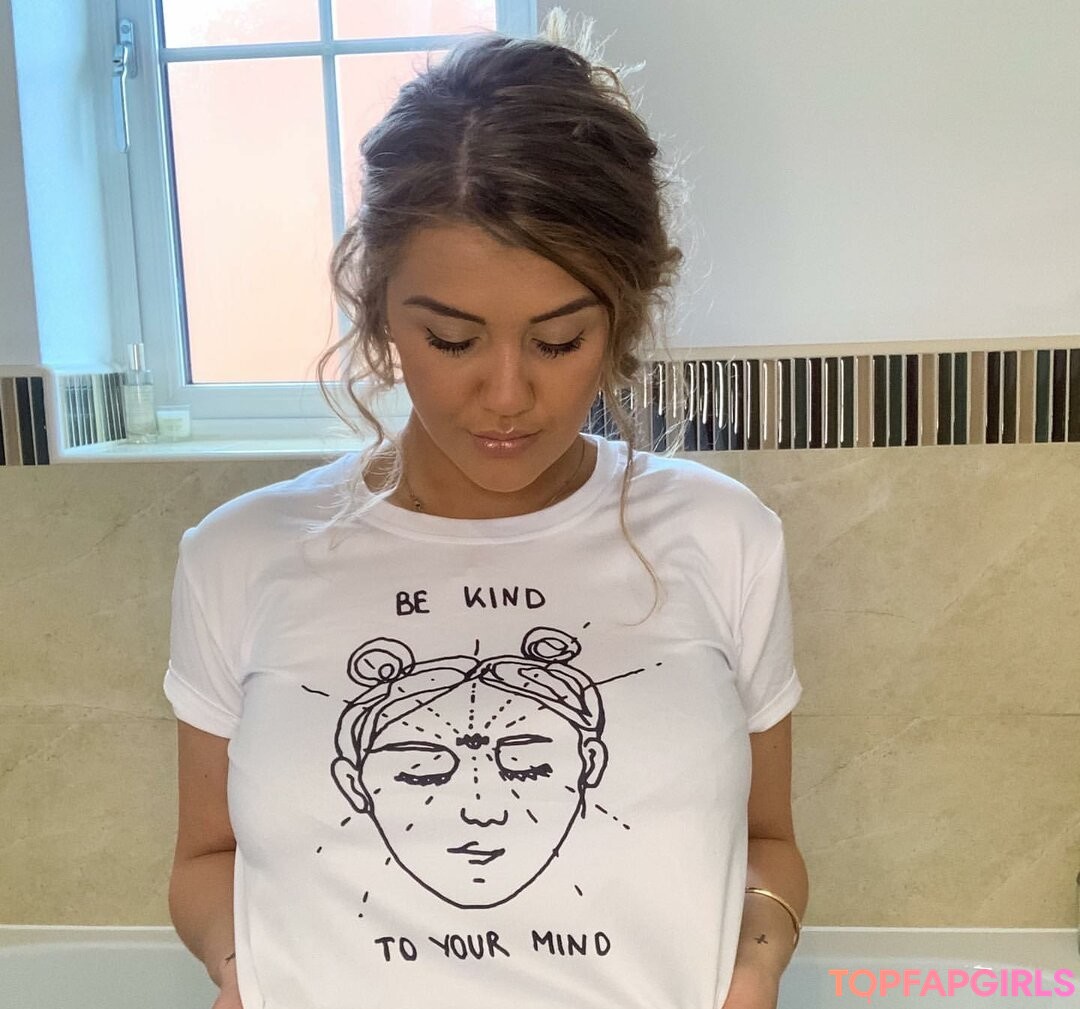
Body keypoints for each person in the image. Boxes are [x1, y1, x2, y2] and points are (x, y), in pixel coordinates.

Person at [164, 10, 808, 1009]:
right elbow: (206, 858)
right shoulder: (237, 557)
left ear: (622, 318)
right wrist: (242, 971)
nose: (506, 396)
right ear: (382, 309)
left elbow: (768, 842)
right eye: (454, 341)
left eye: (557, 342)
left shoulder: (725, 539)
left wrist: (755, 965)